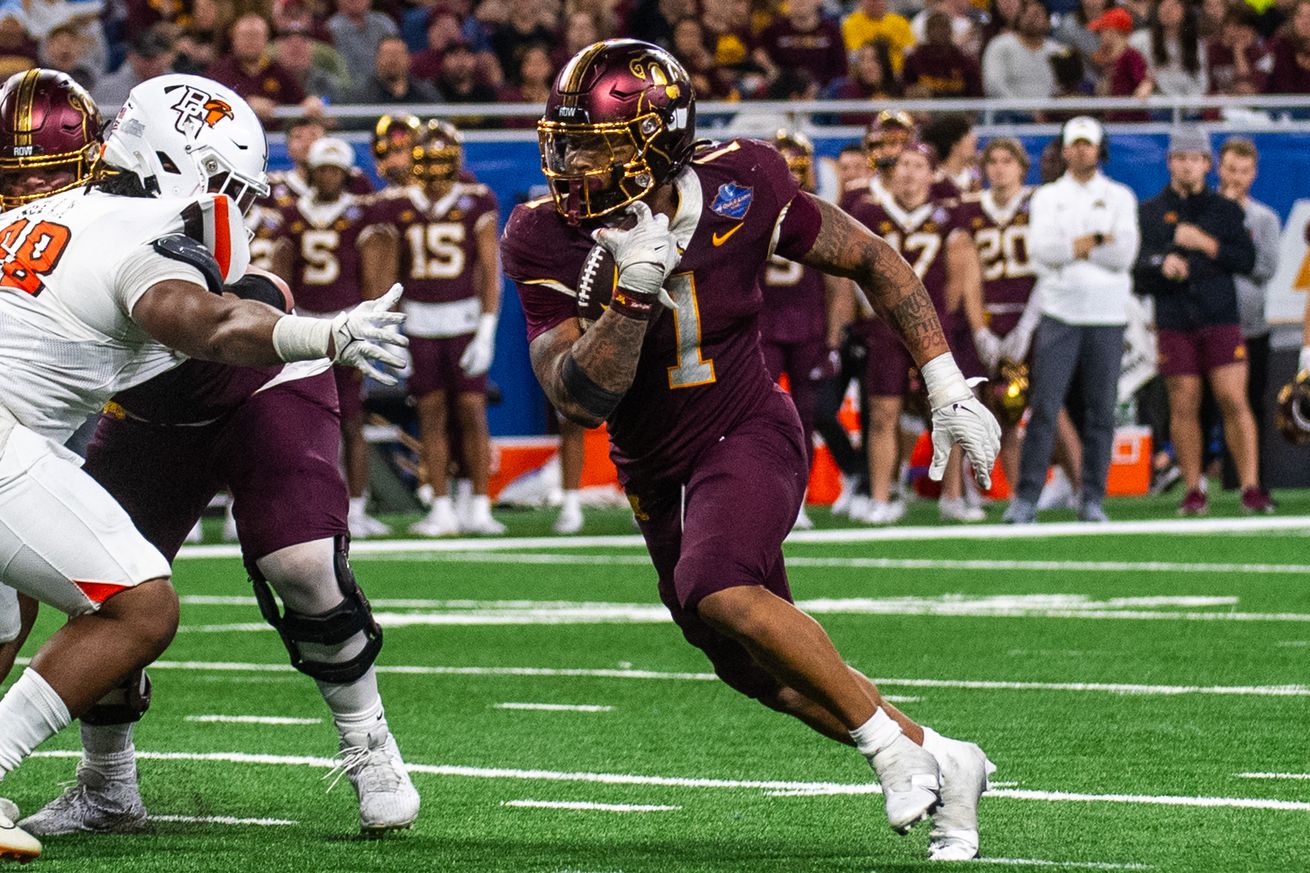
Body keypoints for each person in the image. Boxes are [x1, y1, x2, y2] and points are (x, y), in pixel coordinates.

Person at [502, 40, 1000, 861]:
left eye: (598, 145)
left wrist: (945, 383)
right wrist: (630, 300)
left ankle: (889, 749)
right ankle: (947, 756)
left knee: (718, 584)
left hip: (748, 427)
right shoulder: (541, 236)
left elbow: (872, 257)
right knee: (750, 667)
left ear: (660, 143)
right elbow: (575, 395)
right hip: (652, 466)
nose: (575, 164)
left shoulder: (746, 180)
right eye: (569, 144)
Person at [0, 71, 408, 853]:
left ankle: (371, 746)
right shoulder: (136, 225)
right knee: (120, 600)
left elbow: (221, 318)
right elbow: (207, 319)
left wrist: (296, 328)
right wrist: (322, 329)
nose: (35, 186)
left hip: (256, 393)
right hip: (118, 416)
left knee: (300, 564)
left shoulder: (122, 220)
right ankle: (102, 783)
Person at [364, 119, 504, 536]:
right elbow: (388, 272)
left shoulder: (476, 199)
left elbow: (488, 270)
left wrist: (487, 329)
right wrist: (394, 331)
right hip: (421, 320)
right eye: (431, 161)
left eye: (445, 162)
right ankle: (441, 505)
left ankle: (478, 503)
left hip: (462, 317)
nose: (438, 172)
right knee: (431, 414)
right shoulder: (396, 203)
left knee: (472, 412)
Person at [1005, 116, 1139, 524]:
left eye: (1088, 144)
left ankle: (1092, 496)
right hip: (1060, 311)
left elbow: (1125, 255)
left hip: (1107, 314)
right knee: (1044, 405)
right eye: (1074, 143)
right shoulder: (1046, 197)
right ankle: (1026, 496)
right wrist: (1099, 239)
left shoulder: (1120, 195)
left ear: (1100, 149)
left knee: (1101, 410)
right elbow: (1042, 251)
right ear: (1064, 149)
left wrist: (1076, 247)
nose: (1081, 150)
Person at [845, 141, 987, 524]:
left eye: (917, 165)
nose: (909, 172)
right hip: (886, 327)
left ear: (930, 173)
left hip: (930, 329)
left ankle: (953, 496)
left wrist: (946, 320)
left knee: (950, 410)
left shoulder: (946, 216)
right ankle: (880, 497)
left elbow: (960, 275)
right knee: (882, 412)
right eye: (903, 164)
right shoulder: (869, 213)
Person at [1135, 127, 1271, 515]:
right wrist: (1164, 265)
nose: (1187, 165)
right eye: (1180, 158)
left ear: (1207, 165)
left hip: (1220, 315)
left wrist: (1205, 244)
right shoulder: (1150, 212)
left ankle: (1250, 485)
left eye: (1194, 159)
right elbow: (1137, 269)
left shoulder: (1226, 210)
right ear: (1169, 163)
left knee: (1233, 398)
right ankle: (1194, 487)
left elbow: (1247, 261)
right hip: (1175, 316)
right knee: (1183, 402)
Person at [271, 136, 391, 537]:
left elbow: (373, 276)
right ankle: (303, 506)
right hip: (304, 328)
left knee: (352, 420)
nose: (328, 177)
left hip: (346, 326)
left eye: (335, 171)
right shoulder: (291, 214)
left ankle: (356, 507)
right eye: (322, 169)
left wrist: (370, 324)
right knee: (299, 421)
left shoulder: (361, 214)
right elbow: (281, 275)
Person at [760, 131, 831, 531]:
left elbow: (837, 282)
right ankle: (761, 495)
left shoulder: (819, 210)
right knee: (756, 419)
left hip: (807, 326)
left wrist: (835, 335)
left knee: (806, 418)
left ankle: (797, 498)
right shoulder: (752, 210)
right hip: (764, 325)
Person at [959, 137, 1038, 487]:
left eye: (1008, 160)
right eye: (993, 161)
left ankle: (1073, 483)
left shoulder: (1041, 203)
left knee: (1046, 406)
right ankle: (1003, 488)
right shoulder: (971, 207)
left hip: (1033, 314)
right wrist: (979, 330)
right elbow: (967, 274)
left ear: (1022, 166)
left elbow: (1048, 269)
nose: (1000, 168)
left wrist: (1027, 328)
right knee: (988, 408)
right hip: (988, 315)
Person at [1218, 136, 1280, 489]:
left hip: (1251, 326)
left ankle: (1252, 480)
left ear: (1254, 174)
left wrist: (1221, 253)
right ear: (1219, 168)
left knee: (1250, 404)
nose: (1236, 178)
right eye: (1230, 169)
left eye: (1243, 171)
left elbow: (1266, 267)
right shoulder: (1206, 212)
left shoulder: (1264, 219)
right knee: (1207, 406)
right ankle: (1212, 478)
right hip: (1209, 322)